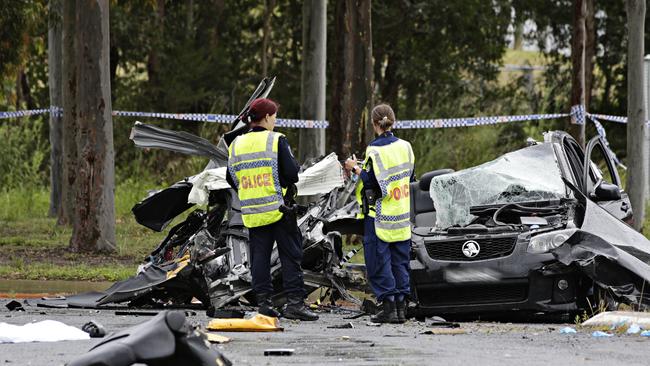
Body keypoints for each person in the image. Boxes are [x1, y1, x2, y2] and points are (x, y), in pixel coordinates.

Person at [226, 98, 318, 321]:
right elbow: (292, 173)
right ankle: (295, 303)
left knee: (259, 257)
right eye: (274, 116)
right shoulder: (276, 140)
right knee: (291, 255)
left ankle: (264, 304)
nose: (275, 120)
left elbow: (231, 177)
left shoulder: (236, 144)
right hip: (278, 209)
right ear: (266, 117)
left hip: (252, 210)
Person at [344, 104, 415, 324]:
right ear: (393, 121)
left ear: (374, 124)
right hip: (402, 215)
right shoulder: (406, 147)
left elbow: (371, 183)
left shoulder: (374, 150)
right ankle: (402, 308)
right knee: (400, 262)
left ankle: (388, 308)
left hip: (380, 215)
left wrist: (355, 169)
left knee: (379, 262)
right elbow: (409, 177)